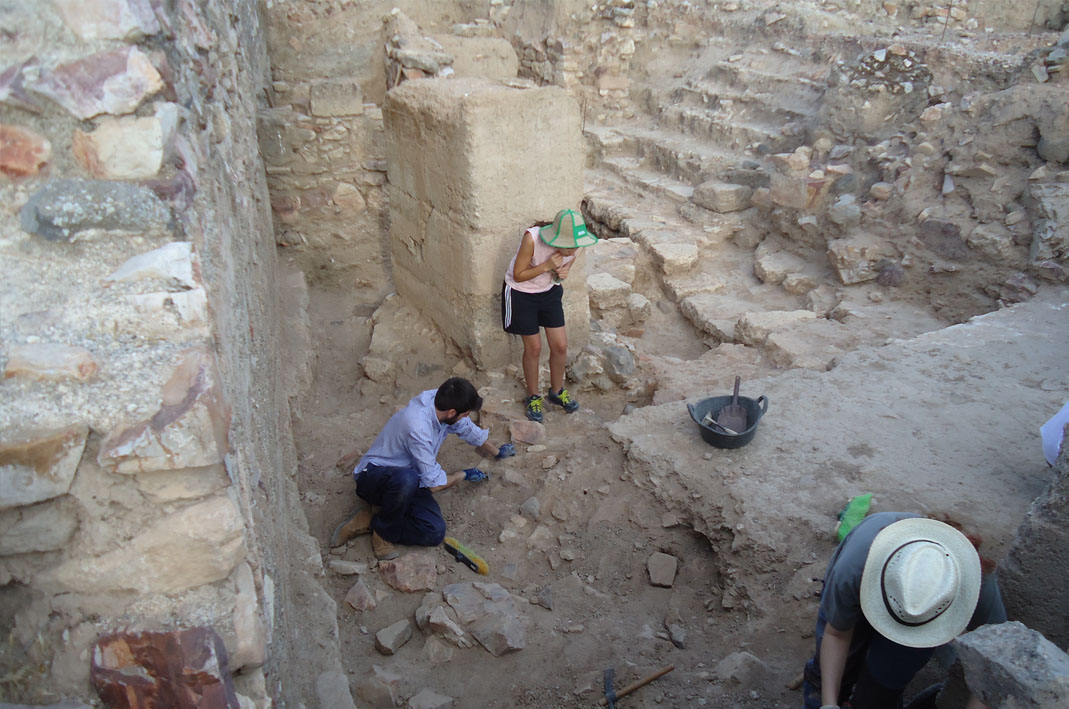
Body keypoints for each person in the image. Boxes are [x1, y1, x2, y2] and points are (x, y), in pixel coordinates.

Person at [802, 512, 1006, 709]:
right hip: (858, 583)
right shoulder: (853, 569)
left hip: (920, 620)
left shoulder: (976, 583)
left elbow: (997, 659)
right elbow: (837, 634)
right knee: (833, 669)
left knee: (882, 686)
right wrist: (828, 703)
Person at [330, 377, 514, 560]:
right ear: (452, 412)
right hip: (373, 477)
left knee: (434, 531)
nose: (466, 418)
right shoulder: (418, 426)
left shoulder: (442, 402)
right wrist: (462, 475)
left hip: (409, 479)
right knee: (407, 479)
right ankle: (383, 533)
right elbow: (434, 485)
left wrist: (497, 453)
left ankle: (370, 521)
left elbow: (467, 429)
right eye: (465, 414)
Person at [501, 208, 597, 422]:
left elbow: (566, 267)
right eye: (569, 247)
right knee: (534, 348)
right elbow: (518, 275)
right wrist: (546, 266)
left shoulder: (574, 245)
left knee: (560, 345)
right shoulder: (532, 239)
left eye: (576, 246)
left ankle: (556, 391)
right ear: (558, 240)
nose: (573, 251)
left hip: (549, 292)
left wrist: (563, 272)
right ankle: (533, 396)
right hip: (521, 293)